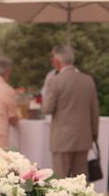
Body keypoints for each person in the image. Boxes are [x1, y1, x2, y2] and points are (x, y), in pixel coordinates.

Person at [42, 45, 99, 179]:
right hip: (83, 137)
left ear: (56, 61)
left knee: (61, 181)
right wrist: (94, 134)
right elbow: (95, 111)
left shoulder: (54, 81)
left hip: (61, 140)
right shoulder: (88, 80)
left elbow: (47, 109)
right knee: (81, 180)